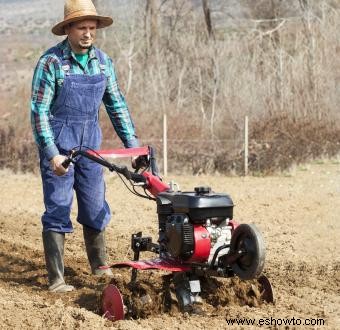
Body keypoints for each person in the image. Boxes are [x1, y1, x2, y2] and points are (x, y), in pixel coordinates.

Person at [30, 0, 139, 293]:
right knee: (58, 207)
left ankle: (99, 267)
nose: (88, 33)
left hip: (91, 148)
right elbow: (38, 112)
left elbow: (116, 105)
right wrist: (52, 154)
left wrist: (133, 146)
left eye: (92, 28)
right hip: (59, 147)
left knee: (94, 205)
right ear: (68, 29)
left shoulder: (103, 62)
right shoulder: (51, 63)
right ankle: (57, 279)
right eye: (82, 27)